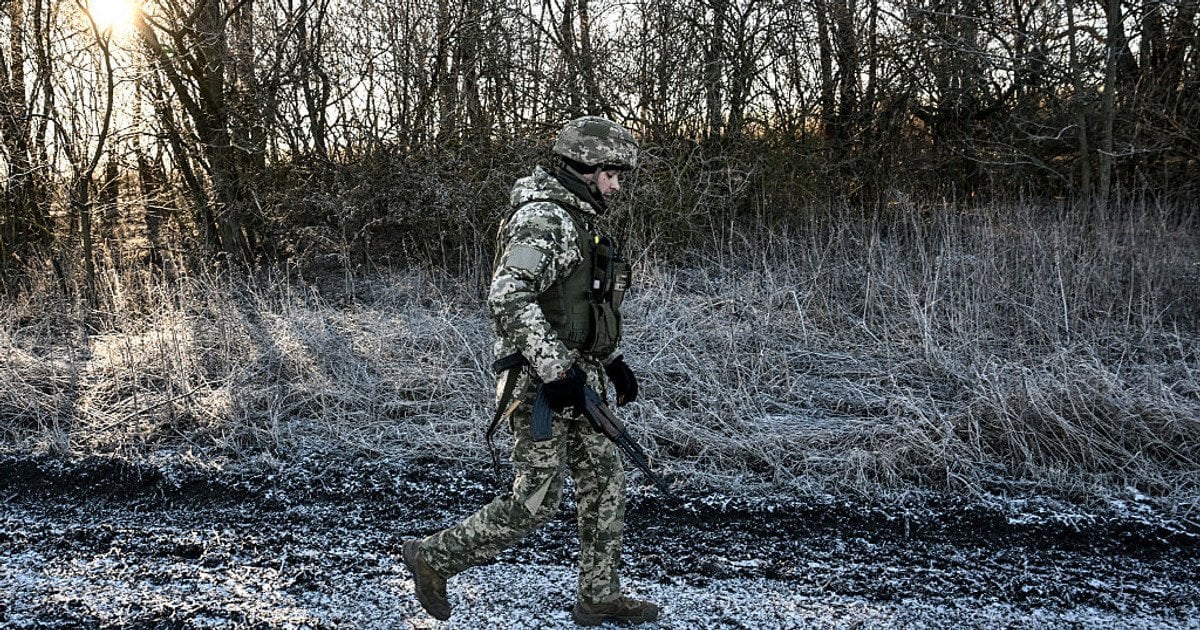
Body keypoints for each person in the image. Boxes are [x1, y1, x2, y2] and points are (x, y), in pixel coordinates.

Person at [402, 116, 659, 626]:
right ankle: (432, 557)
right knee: (536, 500)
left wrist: (613, 361)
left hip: (578, 378)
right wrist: (557, 370)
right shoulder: (543, 219)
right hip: (539, 384)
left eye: (618, 174)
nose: (616, 184)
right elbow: (508, 296)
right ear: (583, 167)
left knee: (607, 481)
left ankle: (598, 596)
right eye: (610, 172)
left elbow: (582, 309)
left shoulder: (583, 220)